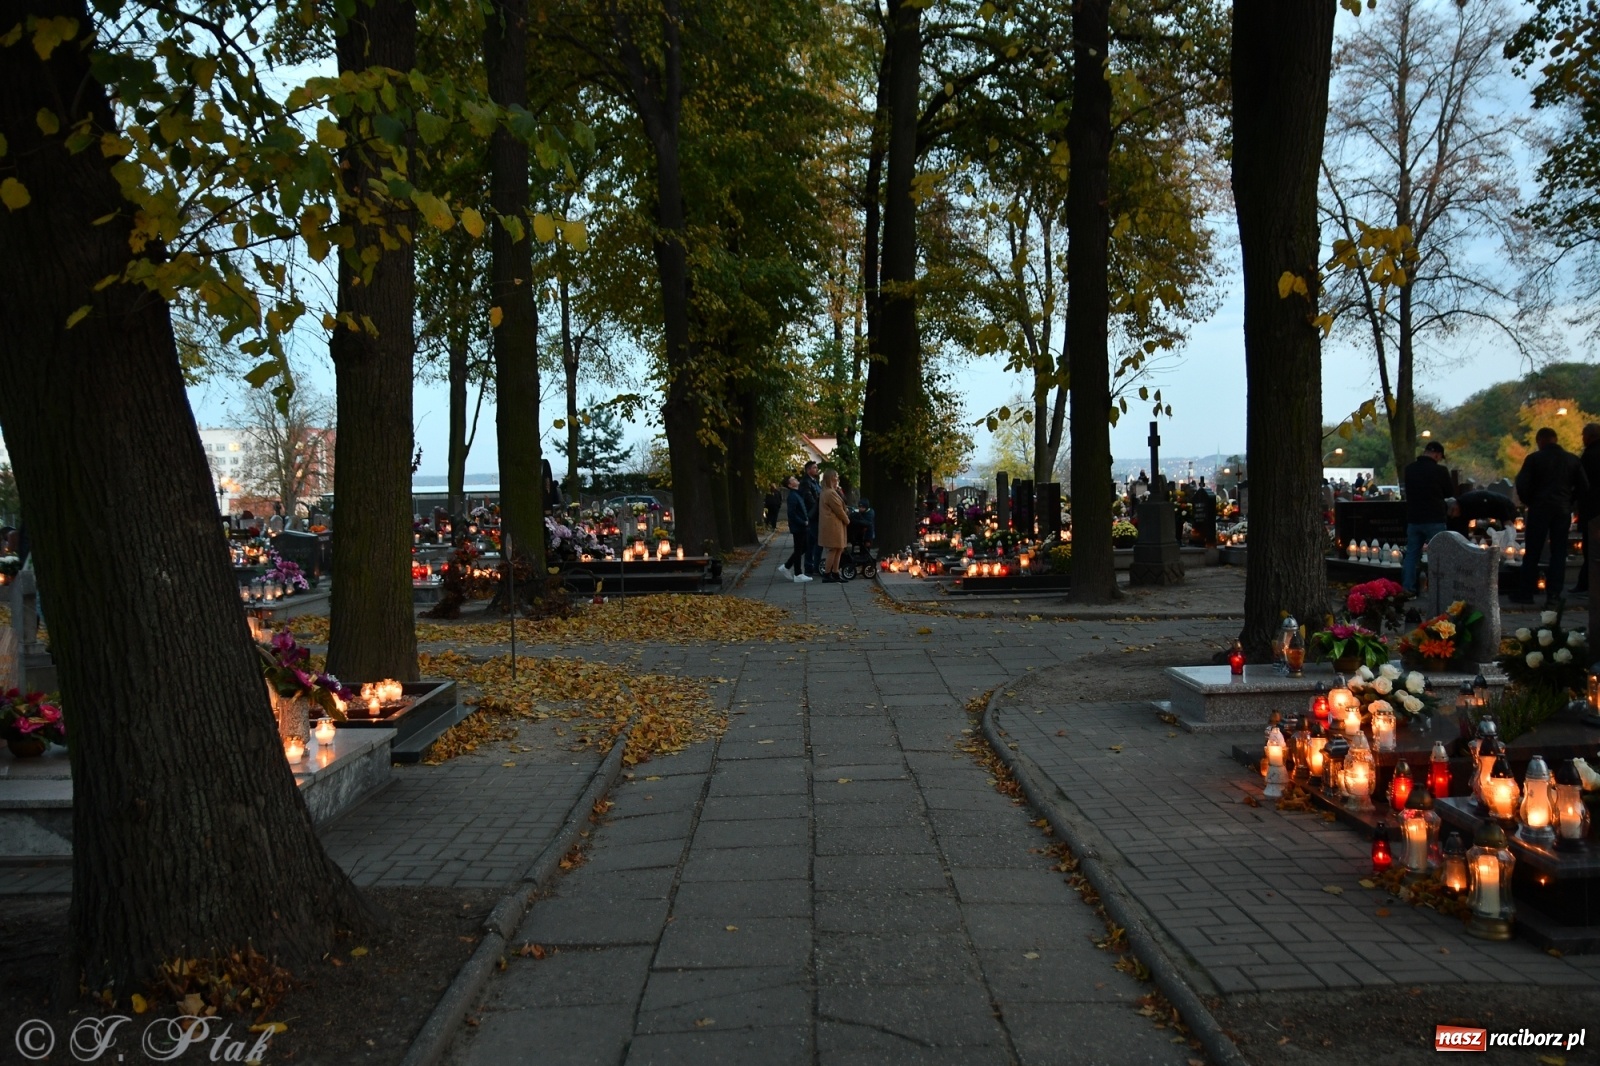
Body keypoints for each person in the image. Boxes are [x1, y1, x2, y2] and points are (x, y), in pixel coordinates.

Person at [1514, 426, 1589, 605]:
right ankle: (1554, 594)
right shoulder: (1572, 460)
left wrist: (1530, 501)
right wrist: (1570, 502)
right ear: (1555, 439)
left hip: (1539, 508)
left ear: (1540, 441)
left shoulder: (1534, 459)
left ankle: (1526, 592)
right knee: (1559, 552)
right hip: (1562, 509)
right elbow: (1583, 486)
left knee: (1533, 551)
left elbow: (1522, 484)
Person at [1401, 441, 1455, 596]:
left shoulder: (1409, 469)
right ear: (1437, 454)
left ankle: (1408, 587)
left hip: (1414, 517)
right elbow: (1448, 492)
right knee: (1438, 554)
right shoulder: (1440, 470)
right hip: (1435, 517)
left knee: (1411, 554)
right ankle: (1439, 588)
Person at [1575, 423, 1600, 595]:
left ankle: (1586, 583)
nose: (1582, 439)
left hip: (1592, 507)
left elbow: (1582, 484)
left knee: (1590, 548)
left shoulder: (1590, 455)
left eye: (1583, 435)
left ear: (1590, 436)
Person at [778, 476, 811, 582]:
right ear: (789, 485)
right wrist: (803, 521)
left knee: (803, 547)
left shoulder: (797, 494)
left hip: (801, 526)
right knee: (799, 549)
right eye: (793, 479)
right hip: (798, 527)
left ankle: (787, 566)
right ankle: (798, 573)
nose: (796, 480)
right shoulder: (792, 496)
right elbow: (792, 514)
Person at [818, 469, 849, 582]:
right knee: (833, 549)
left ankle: (835, 572)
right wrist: (847, 520)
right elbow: (839, 510)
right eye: (835, 476)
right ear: (831, 478)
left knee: (838, 548)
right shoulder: (830, 493)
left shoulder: (828, 491)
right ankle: (827, 574)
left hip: (834, 524)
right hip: (833, 525)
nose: (837, 478)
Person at [800, 460, 822, 577]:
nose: (816, 470)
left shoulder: (815, 482)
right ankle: (812, 566)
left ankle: (813, 566)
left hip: (816, 515)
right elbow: (809, 499)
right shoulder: (806, 483)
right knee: (815, 542)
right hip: (813, 516)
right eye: (814, 468)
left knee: (814, 542)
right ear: (809, 470)